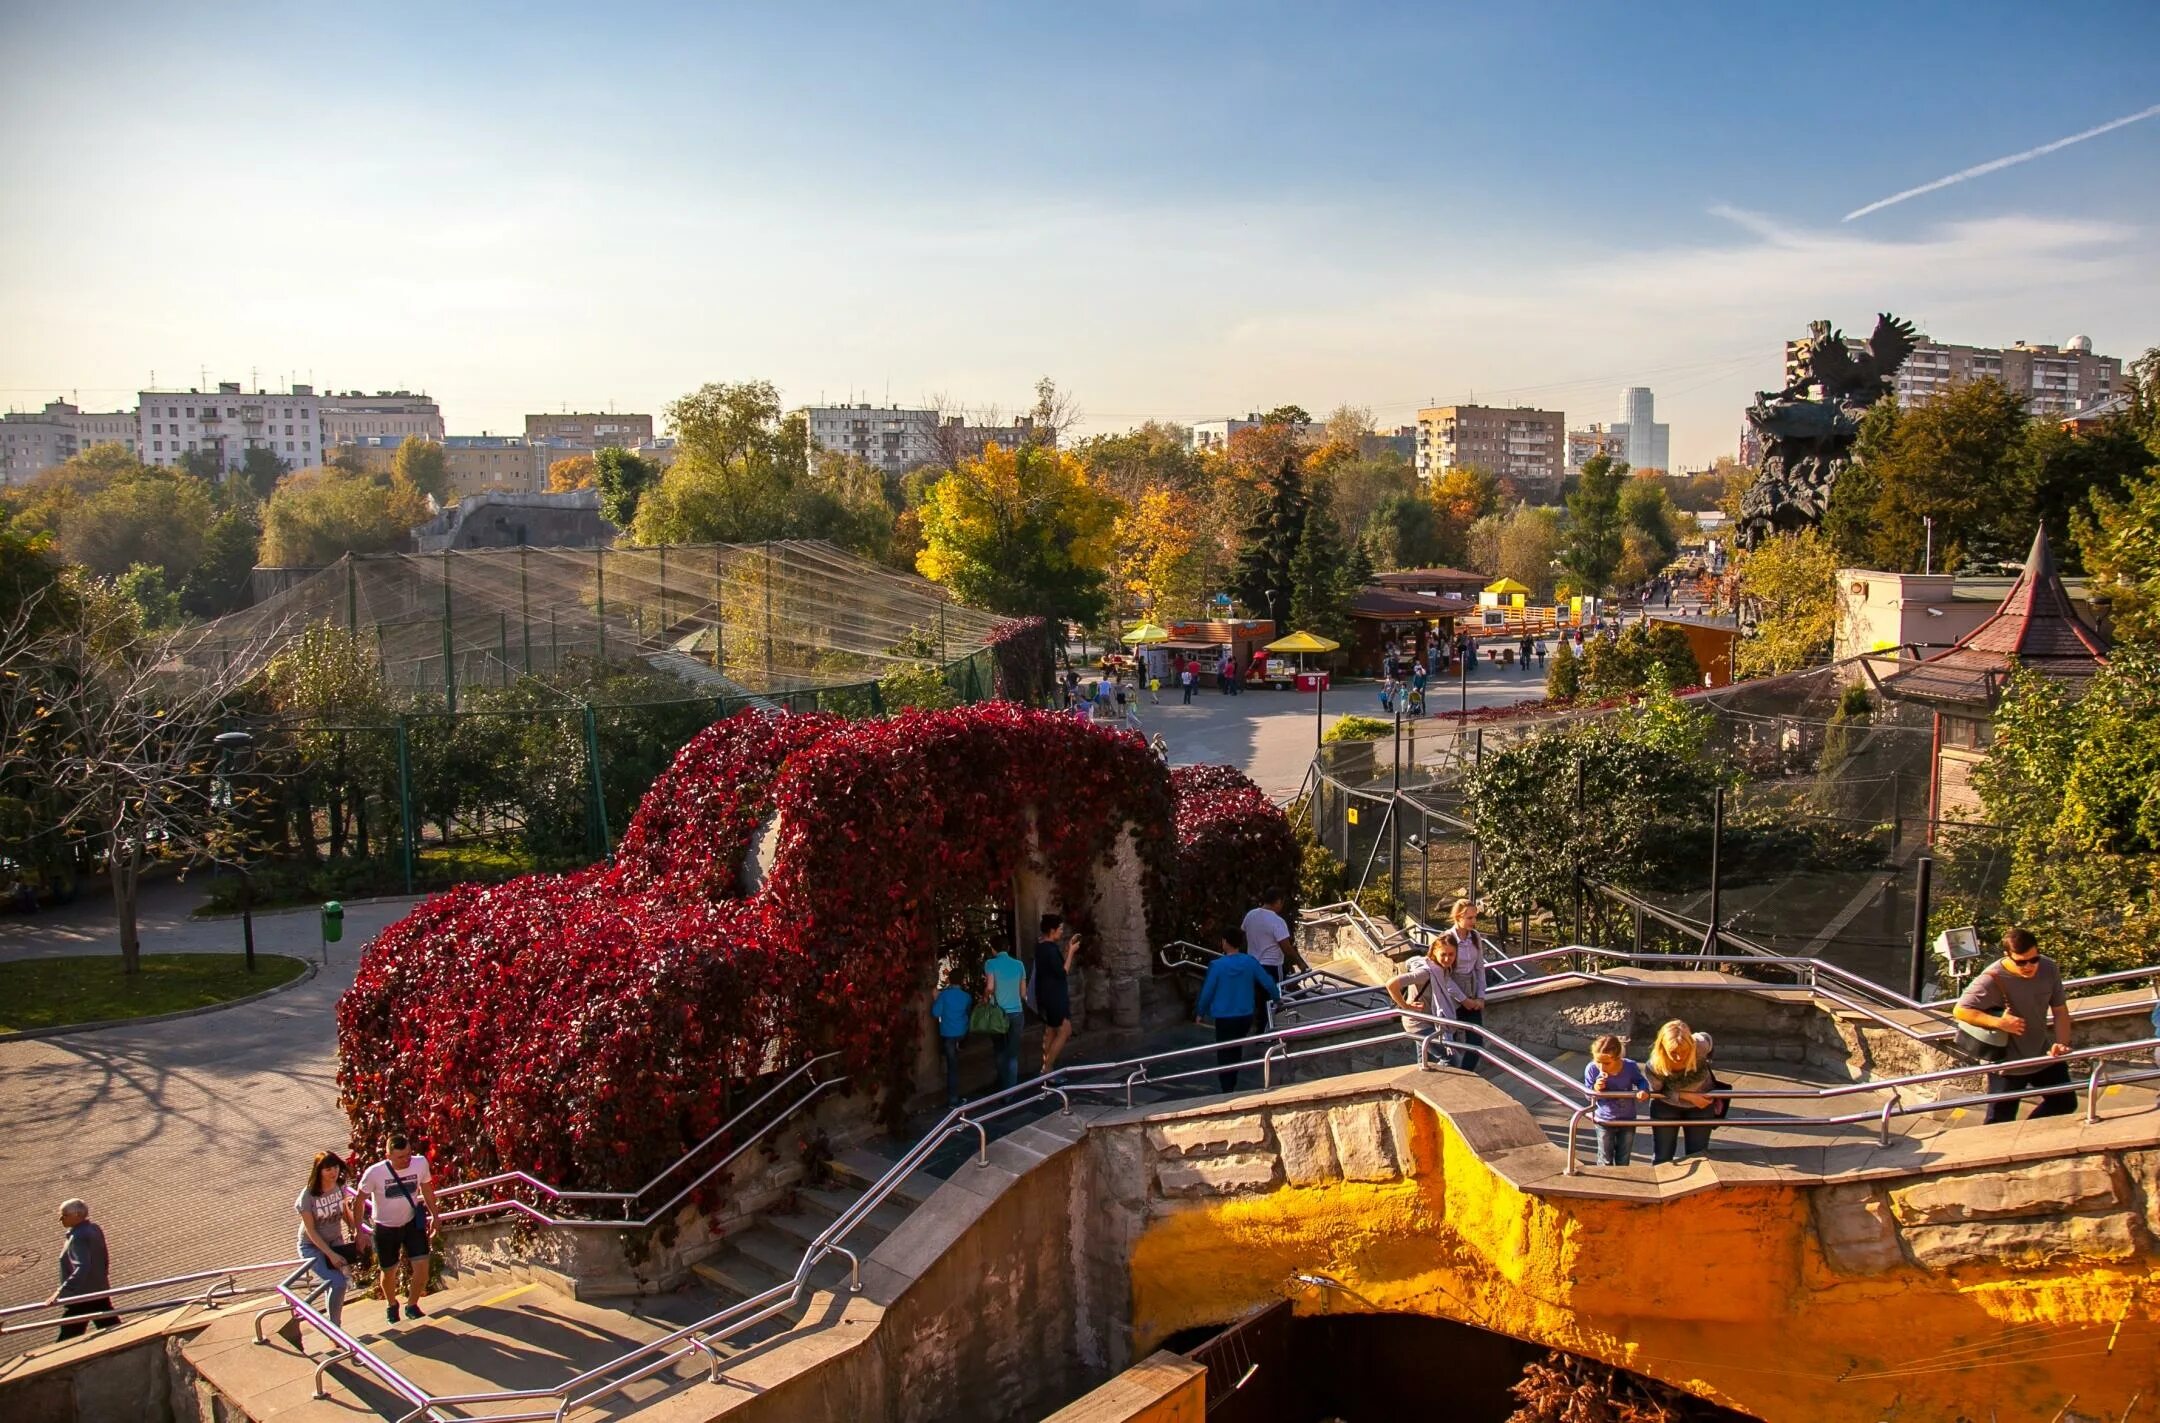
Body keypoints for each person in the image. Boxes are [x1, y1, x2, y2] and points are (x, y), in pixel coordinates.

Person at [1954, 927, 2075, 1124]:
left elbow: (2060, 1010)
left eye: (2034, 959)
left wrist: (2062, 1043)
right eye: (2021, 962)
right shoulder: (1991, 978)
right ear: (2008, 956)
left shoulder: (2048, 968)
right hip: (2007, 1064)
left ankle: (2028, 1135)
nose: (2029, 966)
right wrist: (2000, 1022)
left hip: (2043, 1053)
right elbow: (1960, 1010)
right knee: (1999, 1121)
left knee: (2065, 1102)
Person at [358, 1134, 440, 1325]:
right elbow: (359, 1200)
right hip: (385, 1228)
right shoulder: (374, 1173)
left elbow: (427, 1189)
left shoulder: (420, 1164)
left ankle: (412, 1305)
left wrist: (436, 1216)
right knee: (388, 1272)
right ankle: (391, 1304)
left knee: (422, 1268)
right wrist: (357, 1229)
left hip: (411, 1223)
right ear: (388, 1156)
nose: (406, 1160)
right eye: (400, 1157)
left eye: (408, 1155)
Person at [1194, 926, 1280, 1092]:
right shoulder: (1250, 962)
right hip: (1244, 1015)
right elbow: (1268, 982)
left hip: (1224, 1017)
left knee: (1224, 1051)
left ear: (1225, 942)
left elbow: (1208, 991)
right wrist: (1276, 998)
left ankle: (1227, 1086)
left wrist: (1200, 1011)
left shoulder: (1217, 966)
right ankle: (1232, 1079)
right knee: (1236, 1047)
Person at [295, 1149, 359, 1333]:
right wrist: (330, 1254)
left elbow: (344, 1213)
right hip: (312, 1246)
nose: (333, 1172)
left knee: (337, 1284)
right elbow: (311, 1231)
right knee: (337, 1283)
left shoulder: (339, 1187)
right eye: (328, 1169)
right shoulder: (307, 1196)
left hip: (335, 1241)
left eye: (336, 1167)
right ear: (319, 1171)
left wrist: (357, 1231)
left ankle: (332, 1325)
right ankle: (335, 1329)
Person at [1386, 935, 1465, 1066]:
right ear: (1434, 952)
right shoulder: (1426, 973)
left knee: (1423, 1062)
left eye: (1451, 954)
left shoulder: (1442, 970)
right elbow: (1391, 984)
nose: (1447, 959)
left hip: (1429, 1020)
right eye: (1443, 954)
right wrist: (1406, 1006)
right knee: (1451, 1059)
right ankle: (1441, 1086)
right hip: (1417, 1024)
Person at [1645, 1020, 1716, 1165]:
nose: (1678, 1057)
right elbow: (1659, 1091)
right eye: (1673, 1052)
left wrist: (1709, 1060)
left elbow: (1707, 1038)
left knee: (1699, 1155)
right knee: (1662, 1157)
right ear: (1662, 1048)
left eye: (1684, 1052)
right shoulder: (1654, 1065)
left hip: (1700, 1108)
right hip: (1666, 1107)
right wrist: (1687, 1096)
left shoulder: (1700, 1045)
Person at [1435, 898, 1493, 1072]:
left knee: (1476, 1041)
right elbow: (1443, 974)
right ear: (1458, 918)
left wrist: (1480, 996)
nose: (1473, 922)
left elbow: (1480, 967)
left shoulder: (1475, 937)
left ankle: (1466, 1073)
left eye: (1475, 917)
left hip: (1471, 990)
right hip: (1451, 994)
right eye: (1469, 918)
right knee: (1448, 1043)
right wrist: (1462, 999)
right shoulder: (1447, 938)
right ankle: (1446, 1074)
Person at [48, 1199, 115, 1341]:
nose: (60, 1219)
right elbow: (104, 1258)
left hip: (81, 1295)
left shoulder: (78, 1237)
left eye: (64, 1215)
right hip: (98, 1288)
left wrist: (61, 1290)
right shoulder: (94, 1228)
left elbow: (82, 1266)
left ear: (77, 1215)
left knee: (68, 1334)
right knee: (108, 1322)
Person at [1583, 1035, 1653, 1166]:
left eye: (1607, 1063)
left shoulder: (1630, 1067)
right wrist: (1596, 1088)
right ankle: (1604, 1184)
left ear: (1618, 1058)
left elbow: (1641, 1081)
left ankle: (1622, 1183)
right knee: (1605, 1158)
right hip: (1604, 1119)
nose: (1602, 1068)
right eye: (1598, 1061)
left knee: (1623, 1158)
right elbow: (1588, 1094)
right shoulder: (1592, 1069)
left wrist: (1643, 1090)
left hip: (1627, 1119)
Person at [1032, 914, 1080, 1073]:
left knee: (1051, 1031)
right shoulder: (1050, 949)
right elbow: (1062, 972)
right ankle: (1047, 1068)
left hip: (1046, 994)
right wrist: (1071, 952)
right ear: (1052, 930)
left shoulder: (1041, 946)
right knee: (1065, 1030)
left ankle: (1046, 1068)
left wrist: (1066, 950)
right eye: (1059, 929)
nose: (1061, 932)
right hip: (1054, 995)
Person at [982, 942, 1028, 1089]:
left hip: (998, 1014)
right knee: (1013, 1054)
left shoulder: (990, 963)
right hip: (1016, 1012)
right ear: (1008, 948)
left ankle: (1002, 1086)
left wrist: (984, 998)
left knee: (1000, 1050)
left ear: (993, 949)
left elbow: (990, 987)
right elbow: (1023, 994)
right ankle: (1011, 1091)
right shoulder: (1019, 965)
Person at [1240, 890, 1298, 1001]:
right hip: (1272, 966)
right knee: (1271, 999)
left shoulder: (1250, 915)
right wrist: (1301, 964)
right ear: (1278, 902)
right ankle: (1267, 1018)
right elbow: (1286, 947)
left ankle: (1260, 1017)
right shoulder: (1277, 921)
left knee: (1257, 998)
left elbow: (1243, 933)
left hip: (1252, 963)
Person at [930, 971, 972, 1107]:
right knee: (956, 1064)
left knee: (952, 1066)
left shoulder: (944, 996)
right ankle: (962, 1045)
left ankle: (953, 1100)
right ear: (962, 980)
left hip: (948, 1034)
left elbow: (935, 1013)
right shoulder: (966, 997)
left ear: (949, 980)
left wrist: (936, 1000)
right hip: (962, 1032)